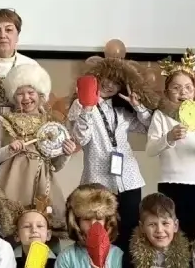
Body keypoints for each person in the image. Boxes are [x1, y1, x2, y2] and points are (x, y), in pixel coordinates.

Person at [67, 57, 157, 248]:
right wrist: (87, 108)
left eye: (116, 82)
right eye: (107, 78)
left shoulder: (122, 110)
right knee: (100, 235)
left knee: (130, 233)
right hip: (98, 180)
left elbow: (150, 127)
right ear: (97, 77)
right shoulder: (80, 104)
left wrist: (137, 106)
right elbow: (80, 139)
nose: (109, 85)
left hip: (130, 179)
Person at [0, 62, 76, 231]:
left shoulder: (52, 124)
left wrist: (66, 154)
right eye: (20, 94)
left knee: (42, 228)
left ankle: (43, 249)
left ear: (40, 94)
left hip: (42, 183)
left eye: (31, 92)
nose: (26, 98)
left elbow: (56, 166)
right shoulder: (7, 121)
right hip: (13, 183)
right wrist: (10, 149)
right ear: (13, 96)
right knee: (11, 228)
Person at [147, 51, 195, 237]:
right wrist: (169, 137)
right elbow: (150, 150)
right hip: (169, 182)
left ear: (194, 92)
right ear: (167, 92)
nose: (183, 92)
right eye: (176, 88)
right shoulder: (161, 115)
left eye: (188, 88)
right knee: (170, 234)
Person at [0, 7, 40, 119]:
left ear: (17, 35)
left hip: (20, 126)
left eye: (8, 30)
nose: (2, 35)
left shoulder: (30, 66)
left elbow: (38, 106)